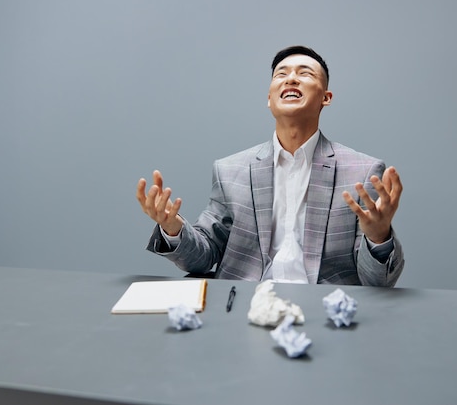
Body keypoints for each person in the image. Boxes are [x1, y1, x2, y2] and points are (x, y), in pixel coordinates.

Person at [136, 45, 404, 286]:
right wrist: (173, 229)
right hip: (242, 307)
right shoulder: (230, 171)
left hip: (325, 311)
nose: (291, 78)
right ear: (269, 98)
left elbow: (377, 282)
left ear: (326, 97)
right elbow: (203, 258)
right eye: (281, 74)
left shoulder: (363, 171)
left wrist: (379, 236)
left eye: (305, 73)